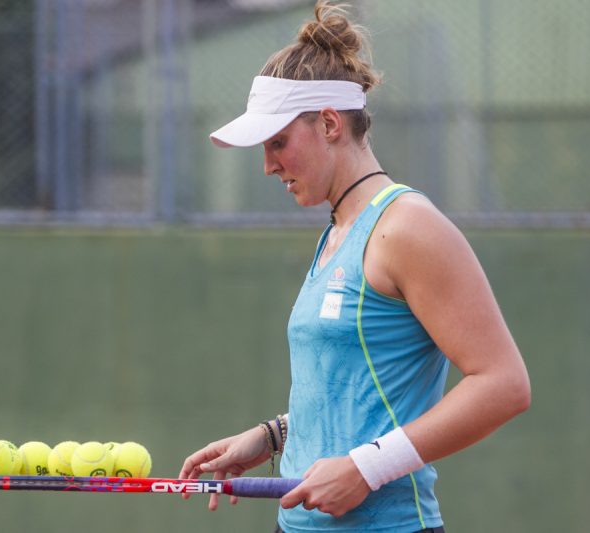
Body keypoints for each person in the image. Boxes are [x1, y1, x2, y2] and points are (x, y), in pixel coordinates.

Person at [179, 2, 531, 532]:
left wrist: (367, 468)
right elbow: (362, 397)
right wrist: (274, 436)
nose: (268, 165)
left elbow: (503, 384)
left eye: (278, 143)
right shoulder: (337, 232)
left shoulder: (408, 227)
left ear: (327, 123)